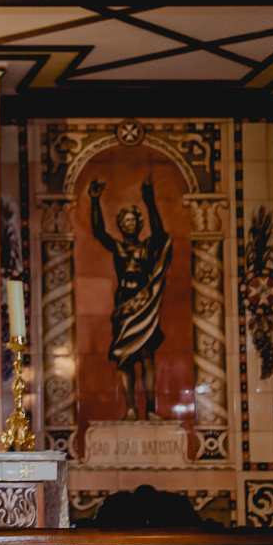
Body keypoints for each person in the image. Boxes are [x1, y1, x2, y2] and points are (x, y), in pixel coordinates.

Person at [89, 176, 172, 420]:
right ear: (121, 226)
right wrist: (95, 200)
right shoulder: (118, 248)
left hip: (145, 302)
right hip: (125, 303)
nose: (128, 224)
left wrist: (149, 200)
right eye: (124, 221)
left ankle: (151, 409)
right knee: (125, 358)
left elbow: (160, 232)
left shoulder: (147, 247)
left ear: (138, 224)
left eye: (132, 220)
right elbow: (98, 231)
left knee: (147, 355)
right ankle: (130, 408)